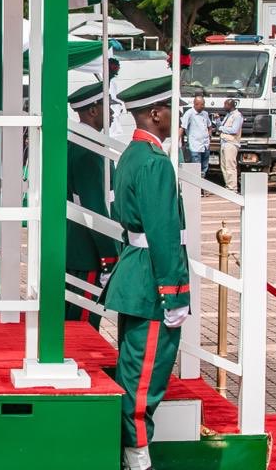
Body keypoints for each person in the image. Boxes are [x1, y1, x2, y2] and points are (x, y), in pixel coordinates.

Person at [103, 76, 190, 470]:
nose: (177, 116)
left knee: (133, 367)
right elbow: (164, 235)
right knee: (143, 379)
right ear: (155, 114)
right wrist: (175, 294)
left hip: (135, 276)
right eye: (171, 109)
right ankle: (136, 455)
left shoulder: (132, 156)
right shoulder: (155, 164)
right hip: (153, 283)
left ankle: (133, 451)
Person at [65, 84, 120, 330]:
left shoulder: (79, 141)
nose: (114, 112)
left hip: (78, 247)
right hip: (88, 252)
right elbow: (94, 207)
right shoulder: (88, 148)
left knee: (73, 320)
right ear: (94, 111)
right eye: (108, 106)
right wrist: (109, 256)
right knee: (83, 326)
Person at [178, 95, 212, 179]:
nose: (203, 106)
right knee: (196, 167)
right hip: (195, 145)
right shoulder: (189, 113)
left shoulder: (205, 113)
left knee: (204, 167)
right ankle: (197, 187)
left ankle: (202, 185)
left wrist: (209, 137)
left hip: (205, 145)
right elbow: (182, 127)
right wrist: (177, 141)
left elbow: (209, 126)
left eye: (204, 104)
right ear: (195, 104)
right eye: (201, 104)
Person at [217, 98, 243, 192]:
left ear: (230, 105)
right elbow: (221, 127)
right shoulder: (228, 115)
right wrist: (218, 121)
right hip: (224, 142)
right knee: (224, 166)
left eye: (225, 105)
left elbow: (234, 130)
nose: (224, 107)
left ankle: (233, 188)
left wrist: (221, 128)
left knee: (230, 166)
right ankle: (228, 186)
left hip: (231, 143)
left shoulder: (237, 116)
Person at [108, 57, 127, 141]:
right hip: (111, 112)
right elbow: (109, 98)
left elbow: (114, 97)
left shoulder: (113, 82)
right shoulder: (107, 81)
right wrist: (120, 104)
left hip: (115, 112)